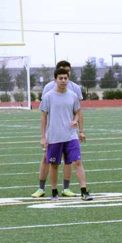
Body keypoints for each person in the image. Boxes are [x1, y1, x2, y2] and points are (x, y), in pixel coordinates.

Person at [31, 60, 87, 199]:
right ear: (56, 76)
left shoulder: (74, 90)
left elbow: (78, 110)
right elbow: (44, 115)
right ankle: (42, 188)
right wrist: (43, 136)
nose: (63, 79)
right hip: (54, 134)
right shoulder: (48, 91)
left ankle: (74, 189)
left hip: (69, 134)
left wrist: (79, 128)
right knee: (49, 161)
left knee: (73, 161)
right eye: (61, 76)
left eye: (66, 75)